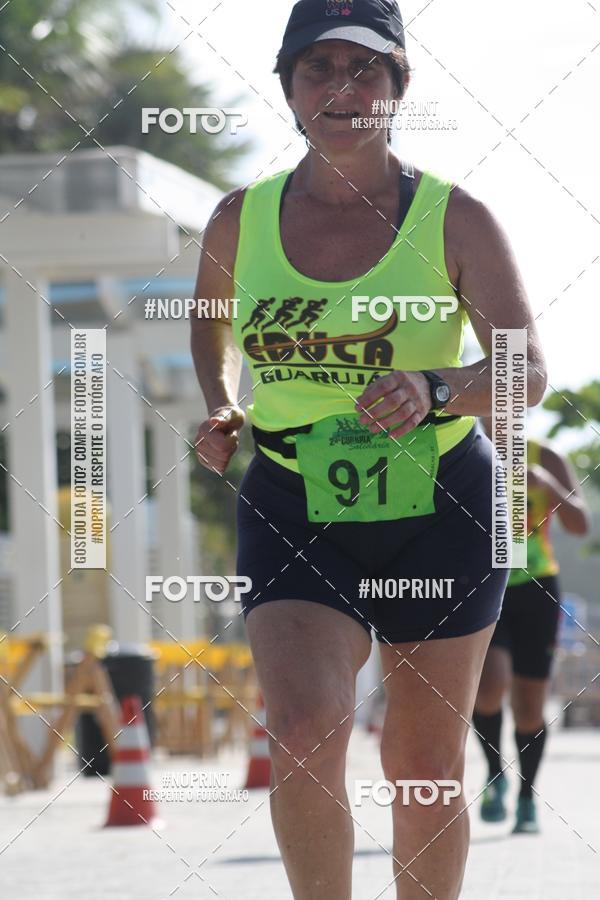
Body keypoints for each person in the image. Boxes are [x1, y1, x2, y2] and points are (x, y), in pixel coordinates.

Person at [190, 1, 547, 896]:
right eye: (318, 69)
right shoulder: (240, 219)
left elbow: (525, 371)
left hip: (444, 508)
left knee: (420, 765)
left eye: (366, 69)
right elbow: (210, 324)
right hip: (292, 501)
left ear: (400, 87)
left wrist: (435, 388)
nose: (342, 89)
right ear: (287, 86)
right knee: (303, 733)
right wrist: (221, 403)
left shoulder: (456, 218)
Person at [473, 422, 590, 834]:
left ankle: (526, 797)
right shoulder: (463, 448)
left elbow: (580, 525)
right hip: (484, 583)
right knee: (489, 688)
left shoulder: (545, 455)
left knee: (528, 707)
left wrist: (547, 487)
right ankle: (494, 774)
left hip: (537, 587)